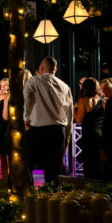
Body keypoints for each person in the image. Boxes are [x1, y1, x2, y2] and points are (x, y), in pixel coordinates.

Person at [23, 56, 74, 185]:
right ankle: (53, 193)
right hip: (58, 132)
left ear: (41, 68)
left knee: (37, 167)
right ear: (55, 70)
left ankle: (39, 191)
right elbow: (69, 114)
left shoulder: (33, 81)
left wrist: (26, 118)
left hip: (38, 131)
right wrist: (67, 136)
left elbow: (27, 99)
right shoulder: (65, 87)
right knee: (54, 168)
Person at [75, 78, 105, 180]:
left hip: (89, 135)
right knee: (98, 164)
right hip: (100, 135)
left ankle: (89, 187)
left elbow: (79, 119)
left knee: (89, 165)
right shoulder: (102, 100)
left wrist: (73, 109)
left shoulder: (84, 100)